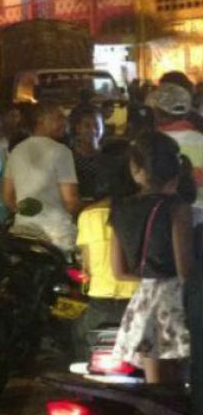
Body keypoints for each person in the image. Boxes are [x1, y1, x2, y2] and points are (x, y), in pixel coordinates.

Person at [110, 131, 195, 383]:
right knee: (180, 388)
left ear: (135, 169)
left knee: (155, 390)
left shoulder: (119, 209)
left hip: (143, 302)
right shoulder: (178, 208)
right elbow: (185, 270)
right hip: (175, 303)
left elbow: (118, 271)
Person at [74, 165, 139, 359]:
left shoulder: (88, 215)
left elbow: (85, 265)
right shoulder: (139, 212)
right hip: (136, 300)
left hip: (100, 302)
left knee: (80, 340)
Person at [3, 103, 80, 251]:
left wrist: (29, 213)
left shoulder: (17, 151)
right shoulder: (61, 152)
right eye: (58, 118)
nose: (64, 123)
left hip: (24, 231)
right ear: (41, 120)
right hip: (57, 234)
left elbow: (7, 197)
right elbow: (70, 201)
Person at [147, 83, 203, 189]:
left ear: (157, 113)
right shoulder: (201, 139)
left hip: (160, 204)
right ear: (187, 113)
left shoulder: (148, 141)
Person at [71, 106, 107, 204]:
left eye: (97, 125)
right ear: (78, 128)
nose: (93, 130)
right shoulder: (69, 157)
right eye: (87, 126)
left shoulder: (110, 155)